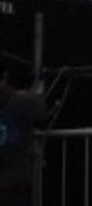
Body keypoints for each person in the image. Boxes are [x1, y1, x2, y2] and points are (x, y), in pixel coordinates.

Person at [0, 60, 47, 206]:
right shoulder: (24, 100)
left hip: (13, 183)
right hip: (14, 181)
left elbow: (42, 113)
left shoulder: (23, 101)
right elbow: (43, 113)